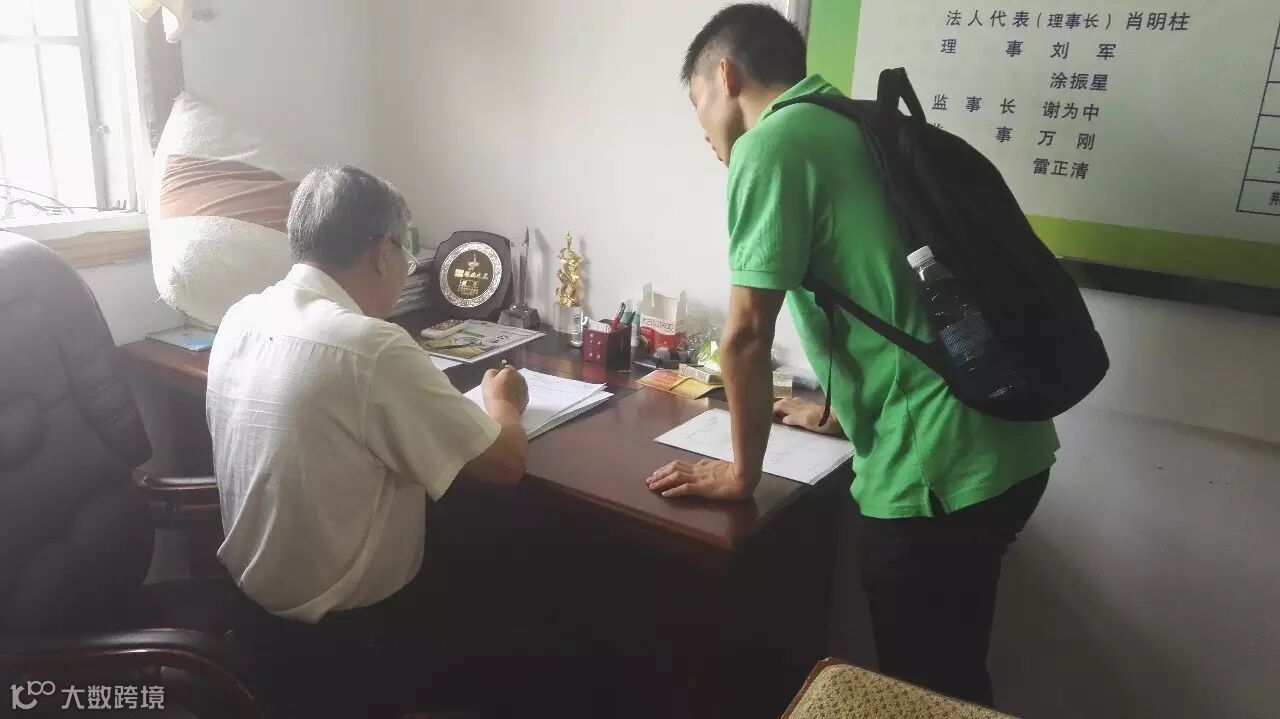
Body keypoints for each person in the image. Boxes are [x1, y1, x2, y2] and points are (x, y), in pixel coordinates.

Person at [647, 4, 1060, 706]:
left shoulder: (772, 144)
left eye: (697, 103)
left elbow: (745, 334)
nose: (704, 132)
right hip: (1000, 437)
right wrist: (838, 409)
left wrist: (741, 473)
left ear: (726, 75)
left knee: (921, 695)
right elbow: (884, 289)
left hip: (932, 468)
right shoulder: (850, 122)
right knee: (953, 682)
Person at [206, 164, 531, 715]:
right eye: (407, 255)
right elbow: (504, 465)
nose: (407, 271)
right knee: (498, 588)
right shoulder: (370, 346)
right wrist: (503, 404)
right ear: (383, 251)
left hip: (253, 624)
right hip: (351, 646)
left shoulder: (240, 316)